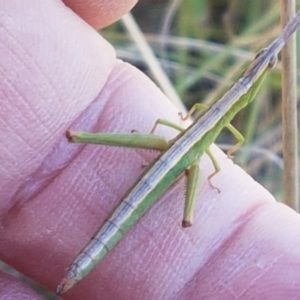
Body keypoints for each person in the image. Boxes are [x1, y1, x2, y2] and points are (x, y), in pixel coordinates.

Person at [1, 1, 300, 299]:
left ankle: (75, 269)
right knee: (193, 206)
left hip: (176, 149)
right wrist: (224, 157)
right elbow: (233, 140)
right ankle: (76, 266)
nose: (264, 61)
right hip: (184, 158)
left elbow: (198, 108)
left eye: (267, 61)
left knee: (178, 167)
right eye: (264, 58)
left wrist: (186, 119)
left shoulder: (223, 98)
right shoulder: (235, 121)